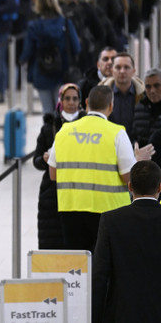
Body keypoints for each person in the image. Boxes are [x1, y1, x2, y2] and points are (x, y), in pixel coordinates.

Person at [48, 85, 154, 252]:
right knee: (107, 263)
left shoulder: (64, 131)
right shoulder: (116, 133)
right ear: (111, 106)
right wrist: (137, 159)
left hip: (70, 208)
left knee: (78, 266)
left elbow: (53, 174)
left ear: (87, 103)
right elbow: (129, 178)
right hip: (109, 211)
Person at [92, 160, 161, 322]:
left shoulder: (111, 220)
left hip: (122, 313)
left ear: (130, 186)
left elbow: (99, 275)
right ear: (159, 188)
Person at [33, 83, 85, 249]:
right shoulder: (49, 127)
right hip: (52, 189)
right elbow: (36, 160)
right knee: (52, 238)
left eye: (75, 99)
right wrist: (44, 159)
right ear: (60, 100)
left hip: (79, 187)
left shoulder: (87, 126)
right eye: (67, 98)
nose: (71, 102)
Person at [19, 0, 81, 115]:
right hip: (62, 72)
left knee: (47, 111)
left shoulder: (34, 26)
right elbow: (76, 48)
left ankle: (49, 134)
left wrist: (22, 61)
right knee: (62, 111)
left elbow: (27, 52)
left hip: (41, 72)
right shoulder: (66, 23)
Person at [100, 52, 145, 139]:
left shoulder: (143, 95)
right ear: (112, 71)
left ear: (133, 71)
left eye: (126, 67)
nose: (122, 71)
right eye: (118, 67)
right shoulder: (101, 95)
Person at [131, 68, 161, 147]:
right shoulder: (139, 108)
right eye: (148, 87)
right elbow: (134, 136)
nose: (152, 91)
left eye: (156, 85)